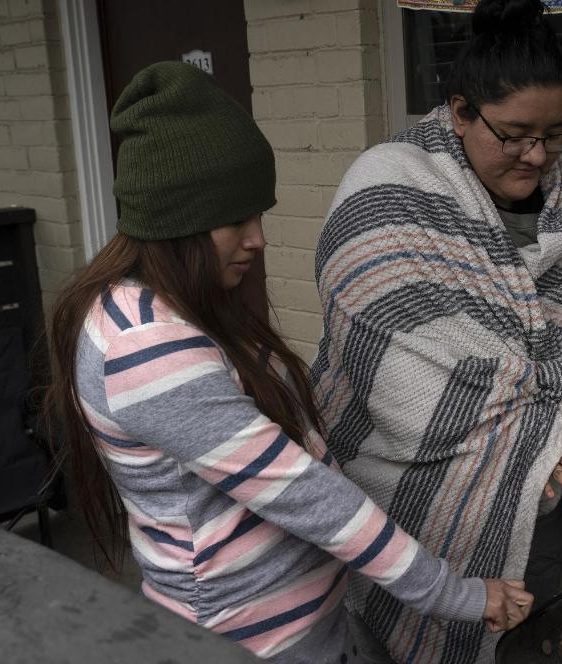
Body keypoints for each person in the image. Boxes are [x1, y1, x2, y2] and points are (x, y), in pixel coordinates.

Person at [45, 61, 531, 664]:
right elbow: (303, 493)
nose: (259, 238)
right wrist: (455, 594)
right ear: (178, 223)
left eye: (260, 215)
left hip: (295, 632)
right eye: (236, 220)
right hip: (250, 642)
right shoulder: (147, 348)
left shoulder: (170, 306)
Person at [312, 1, 562, 662]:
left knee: (523, 638)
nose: (537, 156)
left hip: (537, 497)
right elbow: (392, 339)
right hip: (407, 496)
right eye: (516, 133)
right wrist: (555, 422)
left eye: (554, 135)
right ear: (461, 111)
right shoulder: (391, 182)